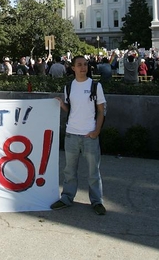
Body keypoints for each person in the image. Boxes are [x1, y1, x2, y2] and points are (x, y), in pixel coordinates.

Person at [51, 55, 107, 215]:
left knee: (93, 172)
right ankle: (67, 198)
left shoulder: (96, 86)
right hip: (71, 135)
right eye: (79, 65)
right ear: (73, 68)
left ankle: (97, 201)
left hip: (89, 135)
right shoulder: (69, 87)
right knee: (69, 171)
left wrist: (96, 131)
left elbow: (102, 111)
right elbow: (70, 109)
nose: (83, 67)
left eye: (85, 64)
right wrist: (62, 105)